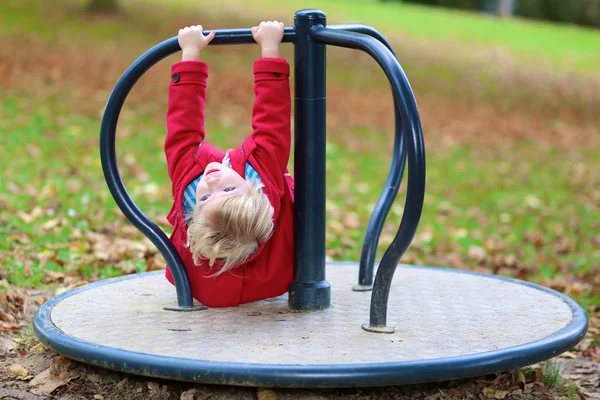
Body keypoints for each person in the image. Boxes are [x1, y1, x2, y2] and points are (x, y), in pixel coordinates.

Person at [164, 21, 294, 308]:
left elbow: (182, 128)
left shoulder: (187, 181)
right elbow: (273, 121)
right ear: (253, 189)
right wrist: (270, 49)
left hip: (204, 291)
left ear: (192, 216)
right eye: (228, 189)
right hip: (274, 279)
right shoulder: (264, 173)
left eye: (206, 198)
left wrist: (190, 54)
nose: (211, 183)